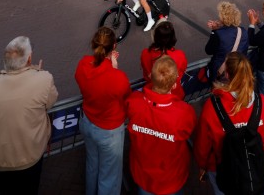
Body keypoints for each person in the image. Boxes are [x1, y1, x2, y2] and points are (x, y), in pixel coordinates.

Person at [0, 37, 58, 195]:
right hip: (29, 158)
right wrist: (38, 72)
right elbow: (50, 102)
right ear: (29, 58)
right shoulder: (44, 79)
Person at [194, 53, 264, 194]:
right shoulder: (262, 103)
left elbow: (203, 145)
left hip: (220, 167)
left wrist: (202, 165)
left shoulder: (212, 106)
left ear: (227, 74)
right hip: (252, 170)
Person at [126, 56, 197, 195]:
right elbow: (189, 131)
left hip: (144, 176)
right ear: (175, 84)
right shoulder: (184, 112)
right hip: (172, 178)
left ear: (150, 77)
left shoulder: (134, 102)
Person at [75, 27, 130, 195]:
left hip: (87, 121)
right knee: (110, 176)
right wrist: (113, 68)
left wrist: (109, 65)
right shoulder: (117, 77)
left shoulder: (83, 63)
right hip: (109, 131)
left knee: (92, 164)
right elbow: (125, 96)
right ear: (114, 46)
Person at [140, 21, 188, 99]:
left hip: (152, 91)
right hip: (174, 93)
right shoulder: (179, 55)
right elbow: (182, 69)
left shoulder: (146, 53)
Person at [205, 2, 250, 83]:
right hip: (238, 70)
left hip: (221, 72)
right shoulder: (243, 31)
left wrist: (214, 31)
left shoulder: (219, 34)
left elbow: (208, 50)